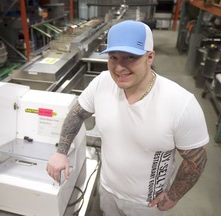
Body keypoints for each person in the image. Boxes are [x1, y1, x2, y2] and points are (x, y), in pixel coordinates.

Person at [46, 20, 208, 216]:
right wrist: (61, 152)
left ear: (150, 57)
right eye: (113, 57)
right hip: (107, 190)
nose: (119, 67)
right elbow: (77, 112)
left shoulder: (180, 104)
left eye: (130, 57)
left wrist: (173, 195)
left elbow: (196, 160)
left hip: (146, 204)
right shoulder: (101, 83)